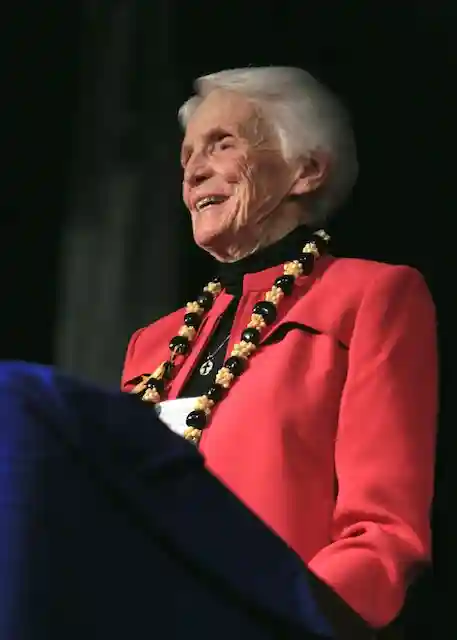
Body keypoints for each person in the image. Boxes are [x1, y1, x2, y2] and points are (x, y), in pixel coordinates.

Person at [121, 67, 438, 632]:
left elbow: (382, 535)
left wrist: (281, 617)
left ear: (306, 170)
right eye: (187, 155)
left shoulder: (371, 298)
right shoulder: (151, 345)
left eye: (222, 144)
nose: (193, 171)